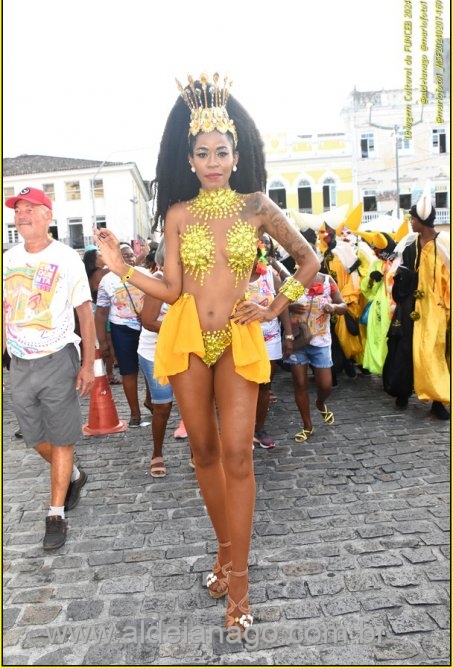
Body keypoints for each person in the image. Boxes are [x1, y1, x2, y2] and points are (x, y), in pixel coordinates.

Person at [94, 73, 320, 635]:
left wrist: (272, 308)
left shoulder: (256, 206)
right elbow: (173, 290)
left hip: (238, 337)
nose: (213, 161)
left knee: (238, 456)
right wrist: (123, 270)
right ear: (190, 160)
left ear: (236, 156)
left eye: (222, 151)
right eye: (202, 153)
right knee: (202, 451)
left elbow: (308, 260)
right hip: (190, 338)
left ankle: (239, 584)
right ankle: (223, 552)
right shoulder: (178, 214)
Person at [3, 187, 95, 550]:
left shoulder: (66, 258)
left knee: (61, 438)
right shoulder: (8, 259)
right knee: (34, 437)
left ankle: (55, 514)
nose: (22, 215)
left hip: (57, 359)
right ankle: (74, 473)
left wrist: (88, 364)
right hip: (19, 363)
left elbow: (85, 312)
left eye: (30, 208)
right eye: (18, 210)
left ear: (47, 215)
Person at [383, 194, 450, 419]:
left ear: (423, 220)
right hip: (408, 306)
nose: (410, 222)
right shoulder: (409, 244)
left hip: (435, 309)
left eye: (413, 219)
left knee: (432, 352)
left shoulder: (444, 244)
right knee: (404, 349)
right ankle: (403, 391)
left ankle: (438, 400)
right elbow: (394, 269)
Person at [286, 270, 347, 442]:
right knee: (300, 384)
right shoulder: (291, 281)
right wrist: (290, 307)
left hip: (321, 341)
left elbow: (343, 306)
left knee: (326, 385)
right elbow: (276, 306)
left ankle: (320, 403)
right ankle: (307, 426)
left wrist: (334, 307)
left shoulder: (327, 281)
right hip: (298, 341)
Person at [248, 236, 293, 449]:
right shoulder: (232, 277)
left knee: (264, 385)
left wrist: (289, 335)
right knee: (243, 384)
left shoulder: (269, 275)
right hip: (243, 339)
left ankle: (260, 428)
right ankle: (243, 429)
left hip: (269, 337)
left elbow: (282, 305)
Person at [95, 243, 146, 427]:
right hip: (122, 330)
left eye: (131, 255)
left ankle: (152, 402)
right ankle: (135, 413)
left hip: (147, 329)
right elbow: (101, 312)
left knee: (151, 369)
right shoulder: (107, 280)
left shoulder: (144, 274)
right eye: (125, 256)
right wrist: (102, 341)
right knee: (128, 371)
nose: (130, 259)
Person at [82, 247, 119, 385]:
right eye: (99, 255)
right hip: (103, 311)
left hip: (92, 310)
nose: (103, 256)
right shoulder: (102, 273)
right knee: (108, 343)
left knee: (98, 344)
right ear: (94, 260)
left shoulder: (88, 274)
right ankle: (109, 374)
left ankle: (101, 373)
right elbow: (121, 270)